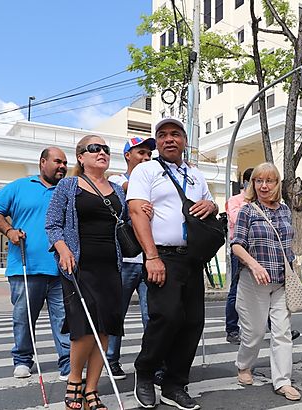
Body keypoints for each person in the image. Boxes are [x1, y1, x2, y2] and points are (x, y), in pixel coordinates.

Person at [129, 117, 218, 410]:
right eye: (163, 135)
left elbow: (208, 205)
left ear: (184, 141)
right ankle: (145, 372)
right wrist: (151, 256)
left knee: (192, 322)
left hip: (192, 259)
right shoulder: (147, 170)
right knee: (166, 317)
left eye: (175, 134)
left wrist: (212, 205)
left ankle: (174, 384)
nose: (169, 139)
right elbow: (136, 212)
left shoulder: (195, 175)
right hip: (162, 257)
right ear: (157, 142)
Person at [46, 135, 127, 410]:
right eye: (94, 148)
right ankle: (74, 381)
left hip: (111, 266)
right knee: (82, 329)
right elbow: (52, 224)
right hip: (78, 266)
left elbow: (125, 223)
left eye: (105, 149)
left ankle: (92, 389)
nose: (101, 152)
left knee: (105, 329)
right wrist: (63, 249)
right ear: (81, 156)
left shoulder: (118, 190)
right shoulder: (68, 185)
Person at [0, 147, 71, 381]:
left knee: (63, 319)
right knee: (23, 317)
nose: (62, 166)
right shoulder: (19, 186)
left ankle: (67, 363)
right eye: (57, 162)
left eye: (65, 162)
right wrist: (9, 230)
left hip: (60, 267)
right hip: (25, 267)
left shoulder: (67, 190)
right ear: (43, 162)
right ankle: (22, 359)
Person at [231, 162, 301, 401]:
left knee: (282, 333)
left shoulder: (284, 210)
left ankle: (282, 381)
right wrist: (254, 265)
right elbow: (236, 245)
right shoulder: (247, 210)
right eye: (258, 181)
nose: (263, 185)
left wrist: (293, 270)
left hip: (281, 281)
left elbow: (287, 245)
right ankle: (243, 365)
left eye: (269, 181)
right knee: (254, 332)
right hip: (253, 281)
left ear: (277, 184)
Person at [106, 136, 156, 380]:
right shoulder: (117, 180)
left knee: (151, 315)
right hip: (124, 260)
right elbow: (120, 193)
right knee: (118, 312)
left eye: (149, 155)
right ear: (128, 155)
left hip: (149, 259)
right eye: (141, 153)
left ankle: (151, 362)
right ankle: (111, 359)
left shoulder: (154, 182)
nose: (146, 158)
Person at [224, 167, 253, 345]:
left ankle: (273, 326)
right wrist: (249, 203)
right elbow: (237, 219)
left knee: (266, 288)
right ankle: (232, 329)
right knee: (235, 290)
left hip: (259, 251)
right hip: (240, 250)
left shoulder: (262, 201)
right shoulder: (235, 201)